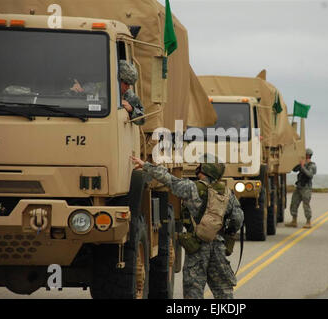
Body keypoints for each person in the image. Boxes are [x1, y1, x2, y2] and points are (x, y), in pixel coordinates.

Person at [131, 154, 244, 299]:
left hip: (197, 248)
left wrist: (146, 165)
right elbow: (238, 218)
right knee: (224, 292)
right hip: (218, 247)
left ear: (203, 170)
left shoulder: (192, 189)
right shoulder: (228, 194)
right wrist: (226, 232)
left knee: (193, 292)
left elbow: (168, 179)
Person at [70, 60, 145, 125]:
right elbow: (73, 99)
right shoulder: (96, 87)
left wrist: (131, 110)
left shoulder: (129, 95)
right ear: (117, 79)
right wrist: (76, 91)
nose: (128, 87)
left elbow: (142, 119)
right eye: (126, 83)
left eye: (129, 84)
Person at [285, 148, 317, 229]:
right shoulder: (303, 164)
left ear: (307, 155)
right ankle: (294, 220)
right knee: (294, 203)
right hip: (299, 187)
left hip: (306, 188)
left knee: (306, 205)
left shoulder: (312, 165)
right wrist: (298, 164)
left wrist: (302, 167)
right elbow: (294, 169)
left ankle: (308, 222)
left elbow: (309, 175)